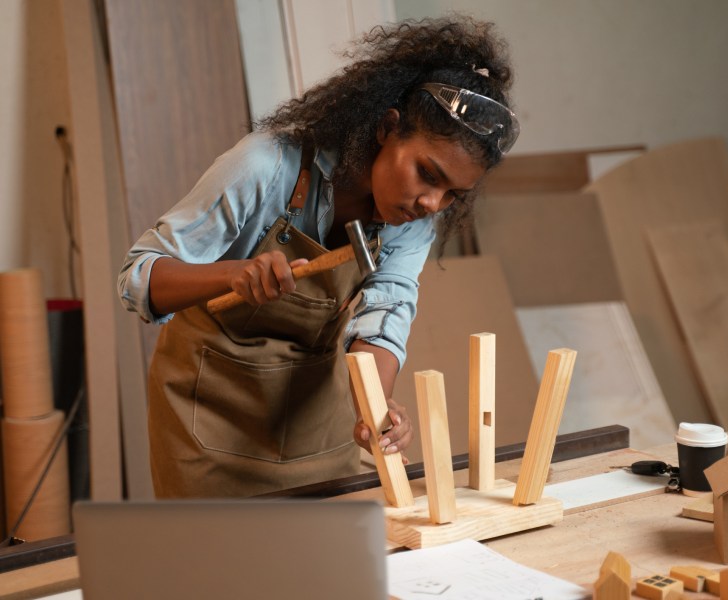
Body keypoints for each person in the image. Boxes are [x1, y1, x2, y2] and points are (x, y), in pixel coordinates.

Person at [118, 15, 519, 498]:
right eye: (427, 174)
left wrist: (376, 409)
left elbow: (384, 315)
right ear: (387, 128)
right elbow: (137, 277)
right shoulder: (265, 166)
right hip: (210, 423)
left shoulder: (412, 219)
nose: (432, 203)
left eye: (453, 193)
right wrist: (234, 275)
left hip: (313, 428)